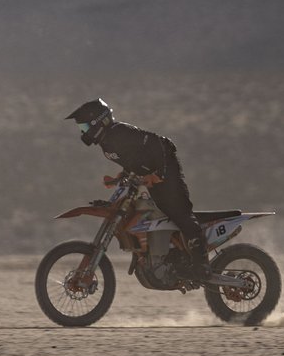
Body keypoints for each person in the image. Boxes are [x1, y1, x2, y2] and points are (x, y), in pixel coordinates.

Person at [64, 98, 211, 281]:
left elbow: (160, 145)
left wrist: (159, 174)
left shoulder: (119, 132)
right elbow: (134, 159)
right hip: (153, 178)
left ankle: (202, 265)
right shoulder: (106, 142)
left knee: (179, 212)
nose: (83, 133)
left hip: (167, 170)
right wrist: (119, 177)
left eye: (84, 128)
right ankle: (166, 258)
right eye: (82, 129)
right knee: (157, 212)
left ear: (97, 122)